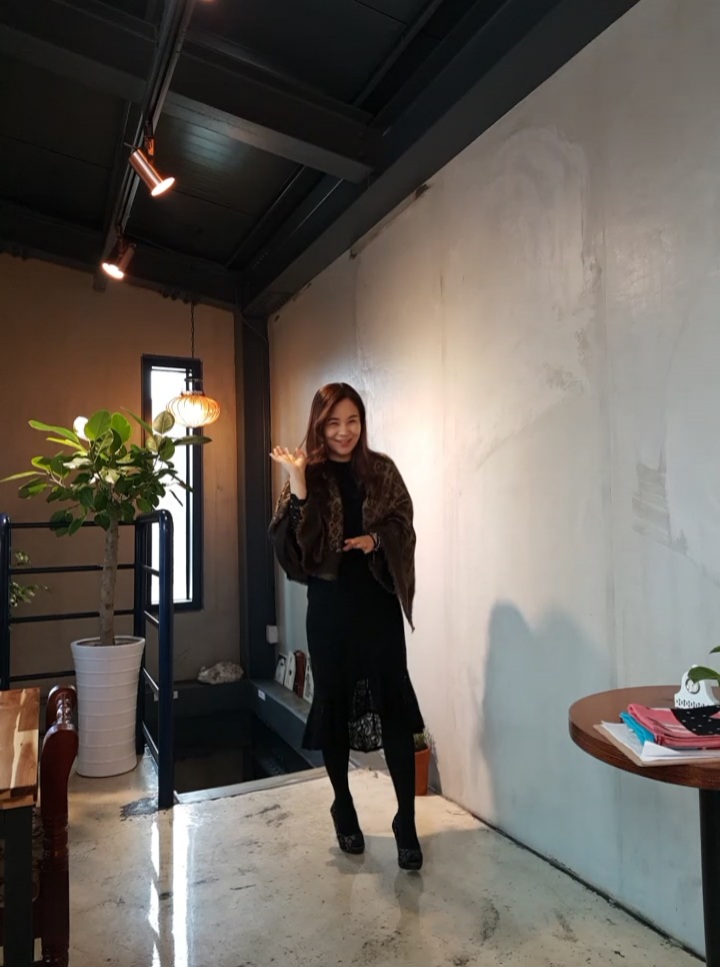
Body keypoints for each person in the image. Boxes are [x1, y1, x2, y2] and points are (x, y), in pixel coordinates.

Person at [268, 382, 425, 870]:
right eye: (333, 422)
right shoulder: (307, 473)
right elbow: (297, 552)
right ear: (319, 425)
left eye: (352, 421)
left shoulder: (382, 470)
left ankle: (406, 820)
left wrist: (376, 539)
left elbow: (404, 524)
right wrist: (298, 484)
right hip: (330, 610)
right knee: (334, 708)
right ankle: (344, 805)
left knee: (394, 709)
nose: (343, 432)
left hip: (377, 606)